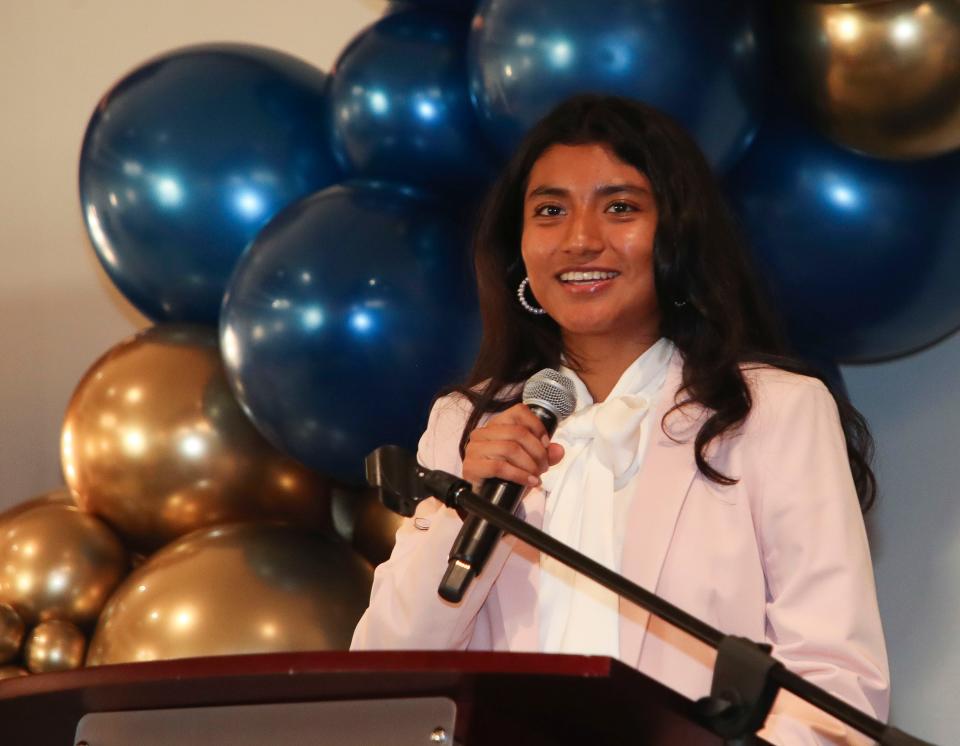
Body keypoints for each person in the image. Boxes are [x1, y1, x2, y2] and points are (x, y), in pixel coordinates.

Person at [351, 94, 889, 745]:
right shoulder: (466, 422)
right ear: (519, 248)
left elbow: (834, 684)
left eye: (621, 208)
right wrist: (468, 508)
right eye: (550, 211)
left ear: (676, 234)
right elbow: (389, 668)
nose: (581, 239)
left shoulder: (776, 411)